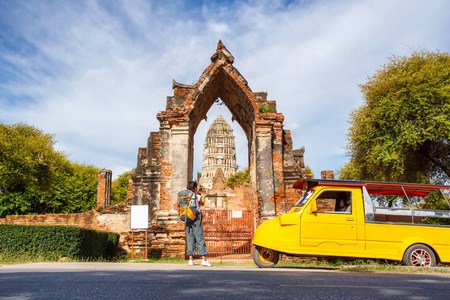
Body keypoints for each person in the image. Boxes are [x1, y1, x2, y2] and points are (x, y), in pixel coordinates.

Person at [185, 180, 212, 267]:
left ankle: (190, 259)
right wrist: (203, 193)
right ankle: (204, 259)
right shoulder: (196, 196)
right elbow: (202, 203)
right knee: (199, 237)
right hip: (196, 218)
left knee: (190, 238)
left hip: (187, 218)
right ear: (195, 188)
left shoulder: (185, 196)